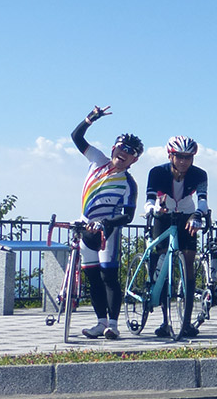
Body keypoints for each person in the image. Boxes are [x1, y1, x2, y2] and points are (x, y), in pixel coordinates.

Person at [71, 106, 141, 340]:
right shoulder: (97, 160)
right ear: (114, 148)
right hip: (84, 228)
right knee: (92, 277)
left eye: (130, 152)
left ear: (134, 159)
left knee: (108, 277)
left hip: (106, 233)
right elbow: (76, 137)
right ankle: (100, 322)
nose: (124, 152)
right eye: (121, 147)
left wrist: (105, 222)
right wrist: (91, 118)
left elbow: (128, 216)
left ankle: (113, 324)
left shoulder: (128, 183)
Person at [145, 136, 208, 338]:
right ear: (170, 156)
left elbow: (203, 200)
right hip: (163, 214)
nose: (183, 161)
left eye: (188, 157)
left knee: (188, 263)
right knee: (163, 264)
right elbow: (148, 199)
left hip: (187, 214)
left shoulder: (199, 174)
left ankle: (187, 322)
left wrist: (199, 215)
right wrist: (154, 208)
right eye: (179, 157)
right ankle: (165, 321)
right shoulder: (157, 172)